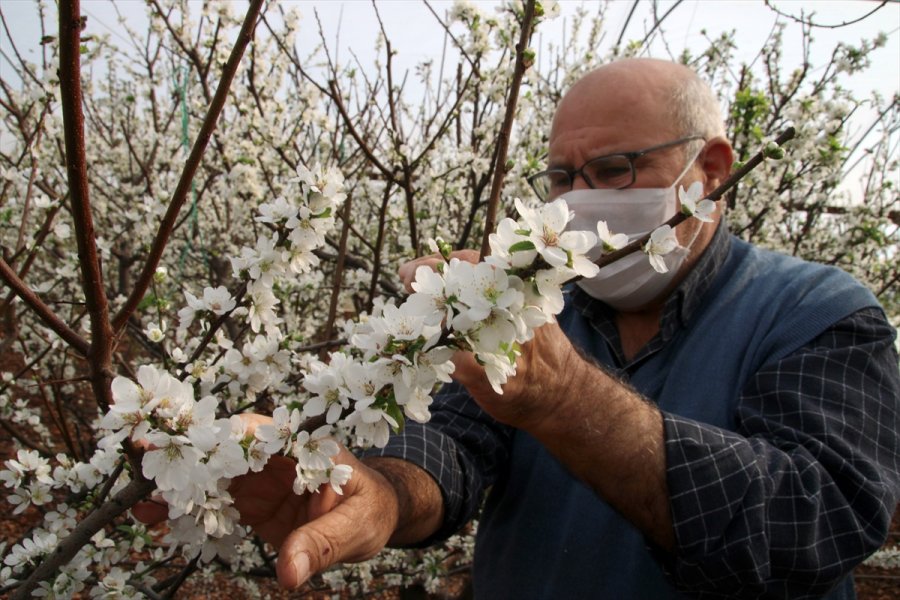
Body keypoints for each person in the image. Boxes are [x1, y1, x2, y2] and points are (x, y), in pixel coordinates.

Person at [230, 58, 900, 598]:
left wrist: (565, 400)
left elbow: (814, 521)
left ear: (711, 171)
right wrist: (383, 495)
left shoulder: (819, 312)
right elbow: (455, 445)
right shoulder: (540, 304)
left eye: (615, 170)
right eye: (560, 177)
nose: (580, 199)